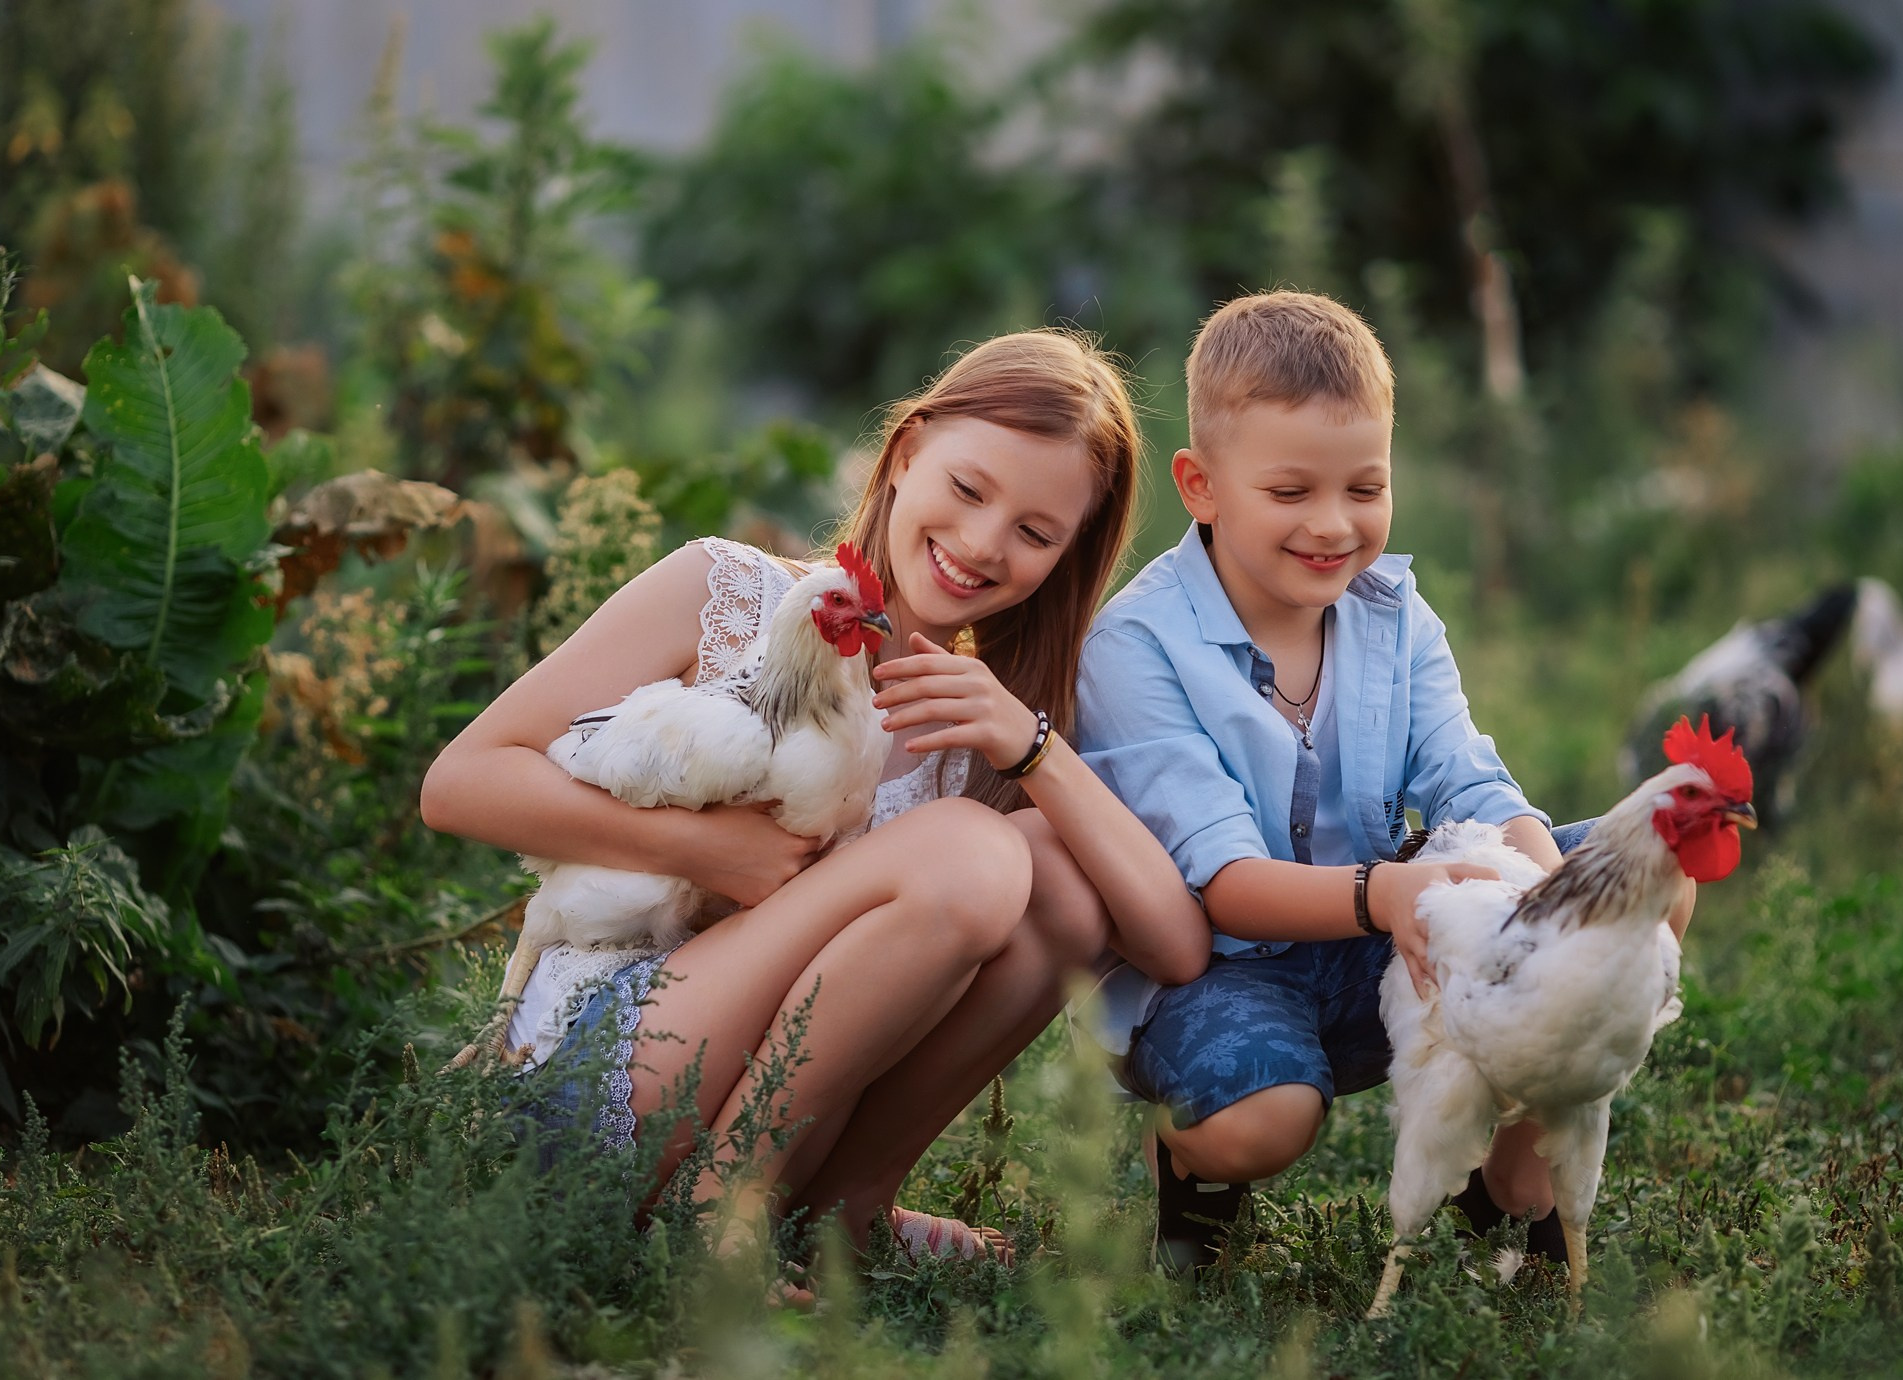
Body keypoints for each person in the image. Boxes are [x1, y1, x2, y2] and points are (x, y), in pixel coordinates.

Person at [420, 331, 1211, 1284]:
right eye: (967, 489)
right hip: (606, 1069)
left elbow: (1171, 946)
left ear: (1067, 556)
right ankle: (720, 1219)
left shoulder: (991, 716)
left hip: (774, 1118)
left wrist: (1031, 745)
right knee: (970, 849)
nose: (981, 543)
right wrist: (705, 851)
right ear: (907, 451)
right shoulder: (728, 593)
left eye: (1036, 533)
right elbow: (460, 783)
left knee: (1061, 867)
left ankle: (843, 1211)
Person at [1074, 290, 1694, 1270]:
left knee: (1645, 881)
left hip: (1383, 940)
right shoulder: (1135, 647)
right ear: (1200, 485)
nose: (1332, 525)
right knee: (1265, 1118)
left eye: (1364, 488)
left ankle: (1511, 1177)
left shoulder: (1392, 613)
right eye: (1290, 492)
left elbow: (1468, 780)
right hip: (1221, 968)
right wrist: (1386, 893)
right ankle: (1194, 1163)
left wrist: (1546, 907)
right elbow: (1220, 880)